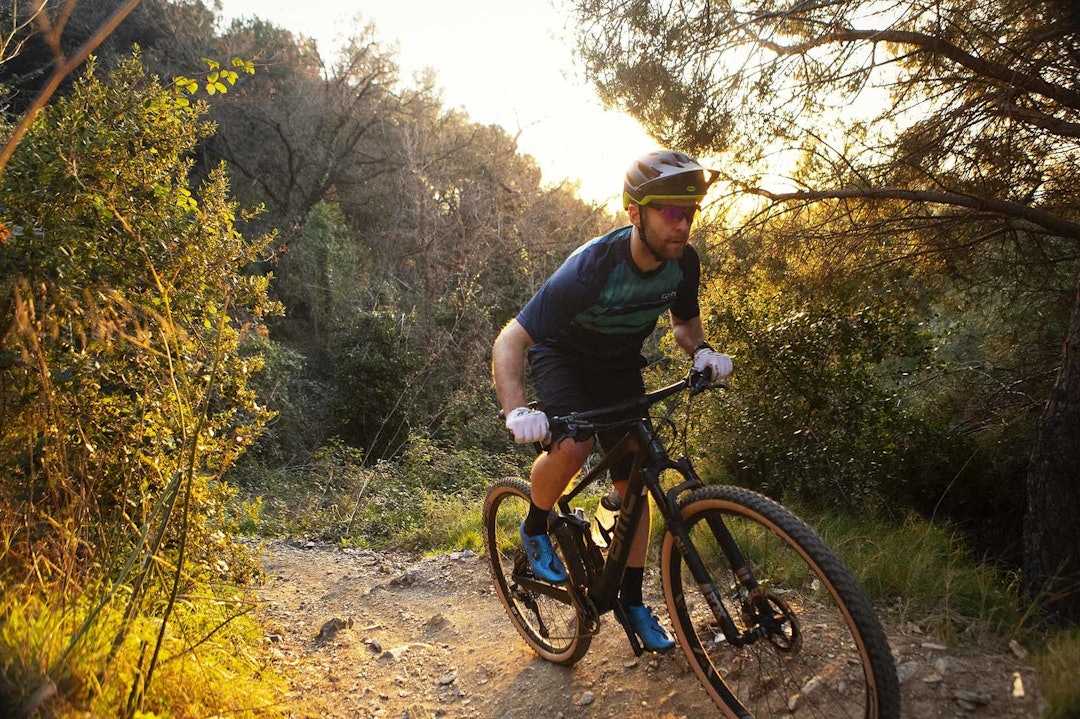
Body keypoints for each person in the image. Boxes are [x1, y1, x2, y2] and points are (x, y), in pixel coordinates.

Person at [490, 150, 734, 652]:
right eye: (669, 210)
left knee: (637, 478)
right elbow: (511, 341)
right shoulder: (591, 269)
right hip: (563, 356)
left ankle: (631, 599)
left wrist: (704, 351)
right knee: (574, 447)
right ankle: (535, 525)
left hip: (618, 365)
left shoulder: (682, 263)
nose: (682, 223)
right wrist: (517, 410)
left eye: (689, 212)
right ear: (634, 213)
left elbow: (684, 325)